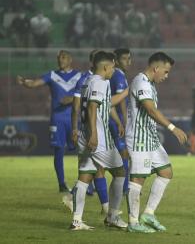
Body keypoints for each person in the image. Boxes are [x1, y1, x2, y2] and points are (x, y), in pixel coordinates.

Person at [125, 52, 187, 233]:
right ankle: (133, 222)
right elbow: (151, 110)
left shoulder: (150, 84)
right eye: (166, 72)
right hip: (139, 139)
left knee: (166, 172)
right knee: (138, 178)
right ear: (156, 68)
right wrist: (173, 128)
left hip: (150, 137)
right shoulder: (141, 82)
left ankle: (149, 214)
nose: (166, 76)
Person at [70, 51, 126, 230]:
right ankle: (113, 216)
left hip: (85, 136)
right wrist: (94, 133)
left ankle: (76, 221)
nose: (114, 70)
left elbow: (104, 104)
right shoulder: (100, 82)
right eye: (112, 67)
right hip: (99, 139)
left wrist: (117, 122)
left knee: (84, 177)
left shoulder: (87, 81)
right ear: (105, 67)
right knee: (120, 173)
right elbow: (93, 107)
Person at [17, 50, 81, 193]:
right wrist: (24, 82)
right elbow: (34, 83)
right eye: (59, 58)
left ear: (70, 59)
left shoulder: (79, 76)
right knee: (59, 150)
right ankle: (62, 184)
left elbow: (87, 93)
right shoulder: (52, 75)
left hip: (74, 118)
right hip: (57, 119)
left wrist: (72, 99)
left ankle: (83, 184)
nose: (60, 60)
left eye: (63, 57)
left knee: (82, 150)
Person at [109, 48, 132, 195]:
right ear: (116, 61)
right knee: (124, 153)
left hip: (112, 118)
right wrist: (124, 121)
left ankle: (125, 187)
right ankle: (125, 188)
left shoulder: (117, 74)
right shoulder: (118, 76)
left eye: (129, 58)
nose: (128, 61)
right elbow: (121, 101)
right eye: (124, 58)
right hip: (115, 119)